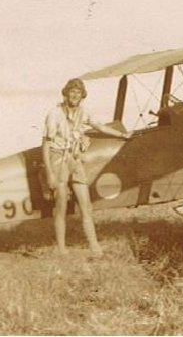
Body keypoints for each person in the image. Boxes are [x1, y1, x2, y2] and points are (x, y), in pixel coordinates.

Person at [42, 78, 132, 257]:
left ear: (82, 96)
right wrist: (49, 173)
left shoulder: (84, 113)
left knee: (86, 205)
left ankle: (95, 248)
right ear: (66, 93)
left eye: (78, 92)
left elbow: (99, 127)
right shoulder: (54, 113)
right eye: (71, 91)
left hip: (74, 159)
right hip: (58, 159)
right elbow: (46, 144)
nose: (74, 95)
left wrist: (122, 134)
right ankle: (61, 249)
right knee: (61, 205)